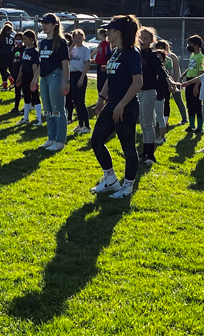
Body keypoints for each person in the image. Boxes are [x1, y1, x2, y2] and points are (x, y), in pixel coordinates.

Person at [88, 15, 145, 199]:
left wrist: (121, 105)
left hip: (126, 108)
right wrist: (101, 97)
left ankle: (127, 187)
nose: (106, 34)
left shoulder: (132, 53)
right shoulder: (115, 52)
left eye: (109, 31)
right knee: (96, 141)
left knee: (128, 148)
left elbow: (138, 82)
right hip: (112, 104)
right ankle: (111, 180)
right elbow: (110, 79)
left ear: (118, 32)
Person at [36, 14, 71, 151]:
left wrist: (65, 81)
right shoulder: (43, 42)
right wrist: (35, 78)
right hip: (44, 78)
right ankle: (51, 138)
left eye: (47, 23)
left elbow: (65, 63)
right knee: (48, 110)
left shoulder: (60, 42)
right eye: (42, 23)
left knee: (57, 109)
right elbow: (41, 62)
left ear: (54, 25)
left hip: (56, 76)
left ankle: (60, 140)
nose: (44, 26)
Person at [138, 26, 163, 165]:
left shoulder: (152, 56)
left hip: (148, 91)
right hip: (138, 92)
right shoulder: (135, 53)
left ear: (152, 41)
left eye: (146, 38)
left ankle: (150, 155)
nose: (142, 40)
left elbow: (160, 72)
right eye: (140, 38)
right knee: (142, 122)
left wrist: (166, 86)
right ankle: (144, 152)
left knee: (148, 123)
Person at [67, 29, 92, 135]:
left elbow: (87, 63)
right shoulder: (72, 49)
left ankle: (87, 125)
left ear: (83, 38)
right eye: (75, 38)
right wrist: (72, 45)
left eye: (79, 38)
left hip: (80, 74)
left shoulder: (85, 49)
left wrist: (82, 78)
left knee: (81, 101)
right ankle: (80, 123)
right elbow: (65, 57)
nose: (78, 40)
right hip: (71, 74)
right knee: (75, 101)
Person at [18, 30, 43, 126]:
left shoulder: (34, 52)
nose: (23, 41)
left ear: (32, 39)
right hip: (24, 76)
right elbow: (22, 65)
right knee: (26, 97)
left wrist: (35, 80)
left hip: (31, 76)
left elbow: (35, 66)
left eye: (25, 39)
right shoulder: (25, 51)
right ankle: (26, 117)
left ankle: (39, 119)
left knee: (35, 97)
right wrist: (19, 76)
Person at [184, 35, 204, 133]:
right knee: (190, 104)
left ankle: (200, 127)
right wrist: (182, 76)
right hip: (189, 81)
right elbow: (190, 67)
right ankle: (191, 125)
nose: (188, 46)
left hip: (196, 82)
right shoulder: (192, 55)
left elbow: (201, 72)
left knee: (197, 105)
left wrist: (196, 86)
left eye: (190, 44)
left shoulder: (201, 57)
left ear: (196, 45)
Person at [0, 23, 16, 90]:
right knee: (10, 69)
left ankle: (5, 85)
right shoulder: (12, 38)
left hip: (3, 55)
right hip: (10, 55)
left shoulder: (0, 37)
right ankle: (12, 80)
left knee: (3, 70)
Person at [11, 34, 26, 115]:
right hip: (15, 72)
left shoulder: (24, 49)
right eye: (16, 39)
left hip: (23, 72)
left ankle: (27, 106)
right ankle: (16, 107)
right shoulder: (14, 49)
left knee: (25, 90)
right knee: (17, 91)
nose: (18, 41)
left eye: (20, 39)